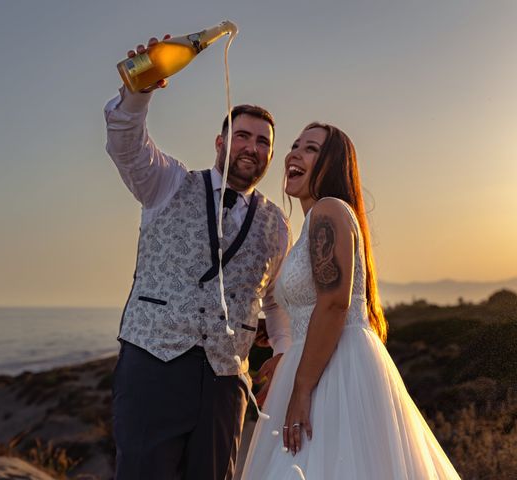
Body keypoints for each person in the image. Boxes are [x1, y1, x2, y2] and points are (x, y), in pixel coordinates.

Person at [104, 36, 292, 480]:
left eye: (262, 142)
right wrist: (139, 92)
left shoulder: (277, 224)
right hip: (153, 364)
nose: (251, 147)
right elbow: (126, 146)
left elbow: (275, 300)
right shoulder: (167, 183)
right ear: (220, 141)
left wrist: (283, 351)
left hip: (227, 381)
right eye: (242, 135)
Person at [240, 123, 461, 479]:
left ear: (332, 165)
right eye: (295, 145)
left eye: (310, 149)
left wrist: (301, 388)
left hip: (334, 375)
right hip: (316, 361)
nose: (294, 154)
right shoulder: (317, 219)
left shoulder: (328, 210)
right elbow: (313, 305)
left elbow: (333, 303)